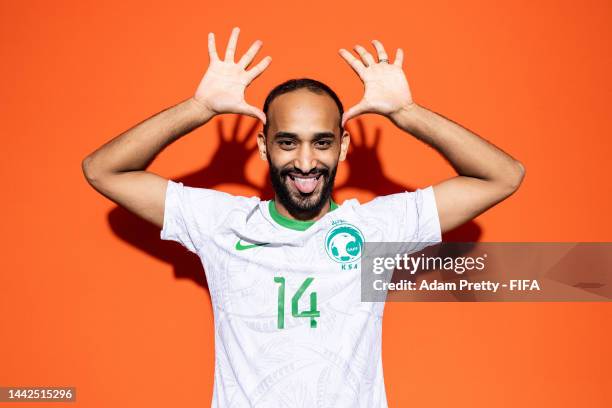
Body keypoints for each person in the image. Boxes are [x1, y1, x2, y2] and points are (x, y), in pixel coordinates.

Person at [82, 26, 524, 407]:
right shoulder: (223, 224)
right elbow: (103, 170)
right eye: (288, 142)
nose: (306, 162)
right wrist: (199, 108)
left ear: (343, 147)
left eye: (323, 142)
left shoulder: (375, 230)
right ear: (263, 146)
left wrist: (407, 113)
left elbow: (503, 177)